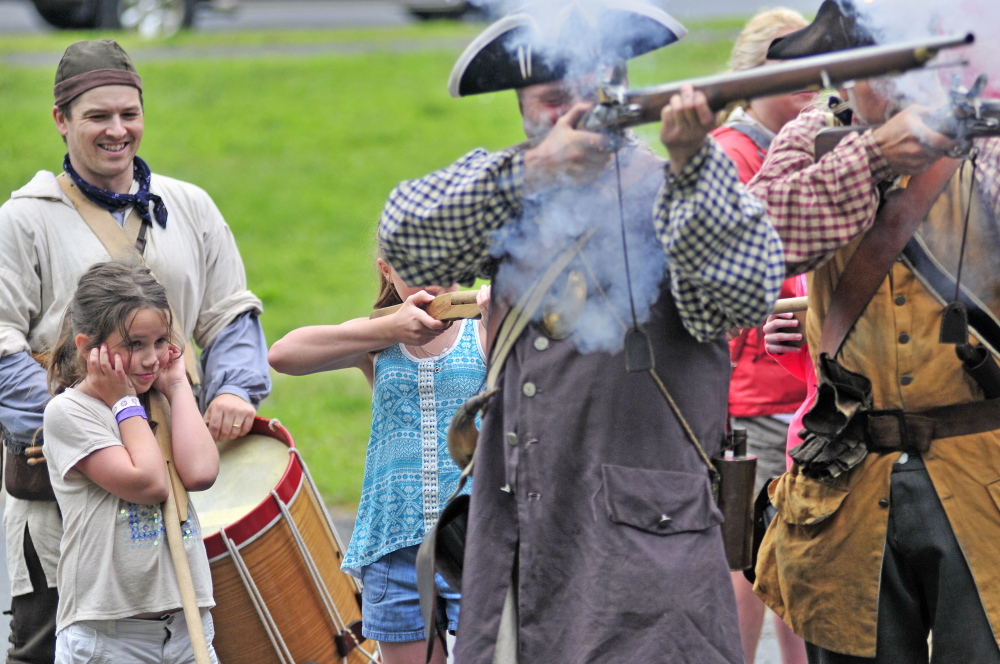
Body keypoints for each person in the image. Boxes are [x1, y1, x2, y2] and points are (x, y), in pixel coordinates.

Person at [378, 2, 785, 662]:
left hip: (649, 556)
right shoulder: (507, 187)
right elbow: (405, 238)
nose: (567, 114)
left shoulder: (676, 187)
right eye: (548, 99)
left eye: (581, 94)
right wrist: (536, 171)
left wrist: (692, 165)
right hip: (519, 542)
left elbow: (741, 296)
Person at [0, 39, 270, 664]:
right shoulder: (24, 220)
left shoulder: (191, 205)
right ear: (61, 120)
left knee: (183, 636)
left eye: (129, 114)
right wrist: (72, 419)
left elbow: (230, 312)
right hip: (72, 493)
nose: (117, 130)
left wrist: (231, 389)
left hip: (173, 483)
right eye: (97, 116)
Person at [747, 1, 1000, 662]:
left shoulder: (987, 132)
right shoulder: (810, 139)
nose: (876, 81)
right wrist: (874, 158)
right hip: (848, 479)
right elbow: (757, 243)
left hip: (982, 471)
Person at [268, 252, 490, 664]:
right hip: (393, 545)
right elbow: (283, 355)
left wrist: (499, 313)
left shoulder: (483, 327)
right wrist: (388, 327)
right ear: (386, 269)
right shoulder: (378, 338)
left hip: (474, 539)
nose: (434, 281)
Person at [43, 261, 220, 664]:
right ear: (90, 348)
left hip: (185, 625)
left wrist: (177, 386)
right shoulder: (71, 413)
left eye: (160, 341)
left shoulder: (162, 396)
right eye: (135, 344)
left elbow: (201, 472)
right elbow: (148, 483)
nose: (151, 358)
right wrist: (124, 402)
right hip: (109, 635)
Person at [711, 9, 814, 664]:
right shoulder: (731, 153)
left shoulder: (798, 145)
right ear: (754, 72)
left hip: (799, 386)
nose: (809, 71)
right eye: (791, 58)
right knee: (749, 561)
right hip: (756, 392)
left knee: (801, 559)